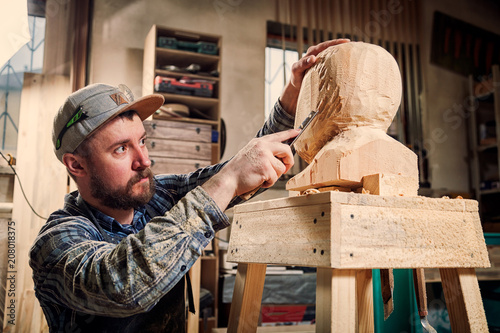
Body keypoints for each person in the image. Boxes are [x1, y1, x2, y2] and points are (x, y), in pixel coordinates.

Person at [29, 39, 349, 332]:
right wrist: (227, 180)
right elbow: (122, 285)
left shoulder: (158, 197)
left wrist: (293, 94)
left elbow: (244, 176)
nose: (144, 160)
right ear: (76, 164)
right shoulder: (57, 243)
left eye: (143, 141)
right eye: (121, 149)